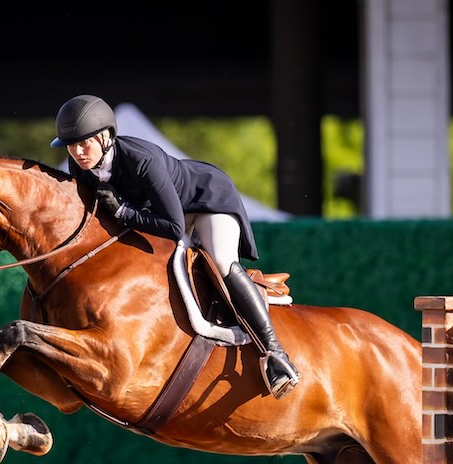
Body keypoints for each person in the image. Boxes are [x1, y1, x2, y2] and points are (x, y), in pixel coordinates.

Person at [50, 93, 301, 398]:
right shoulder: (81, 168)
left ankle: (276, 355)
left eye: (83, 143)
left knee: (220, 261)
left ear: (105, 137)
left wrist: (123, 212)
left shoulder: (142, 161)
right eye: (70, 145)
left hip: (205, 202)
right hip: (163, 213)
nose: (76, 152)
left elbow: (173, 227)